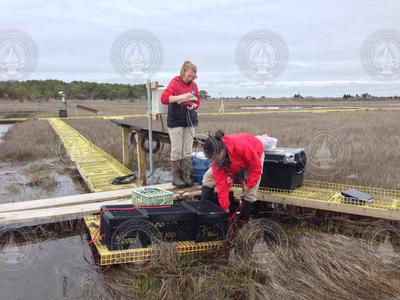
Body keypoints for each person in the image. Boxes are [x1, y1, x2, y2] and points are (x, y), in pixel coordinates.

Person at [201, 130, 265, 222]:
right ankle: (206, 216)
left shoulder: (241, 146)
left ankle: (242, 224)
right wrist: (225, 209)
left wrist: (249, 184)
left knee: (250, 193)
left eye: (214, 158)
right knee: (208, 177)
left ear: (222, 152)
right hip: (233, 162)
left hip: (254, 156)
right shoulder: (217, 161)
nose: (213, 161)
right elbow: (222, 187)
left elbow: (256, 167)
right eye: (211, 159)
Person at [161, 61, 201, 188]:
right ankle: (176, 177)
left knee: (187, 150)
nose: (191, 79)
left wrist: (195, 104)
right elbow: (164, 98)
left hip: (190, 120)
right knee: (177, 150)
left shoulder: (194, 85)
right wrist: (182, 96)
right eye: (189, 76)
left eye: (193, 77)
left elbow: (198, 99)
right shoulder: (175, 82)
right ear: (183, 72)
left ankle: (186, 175)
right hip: (176, 120)